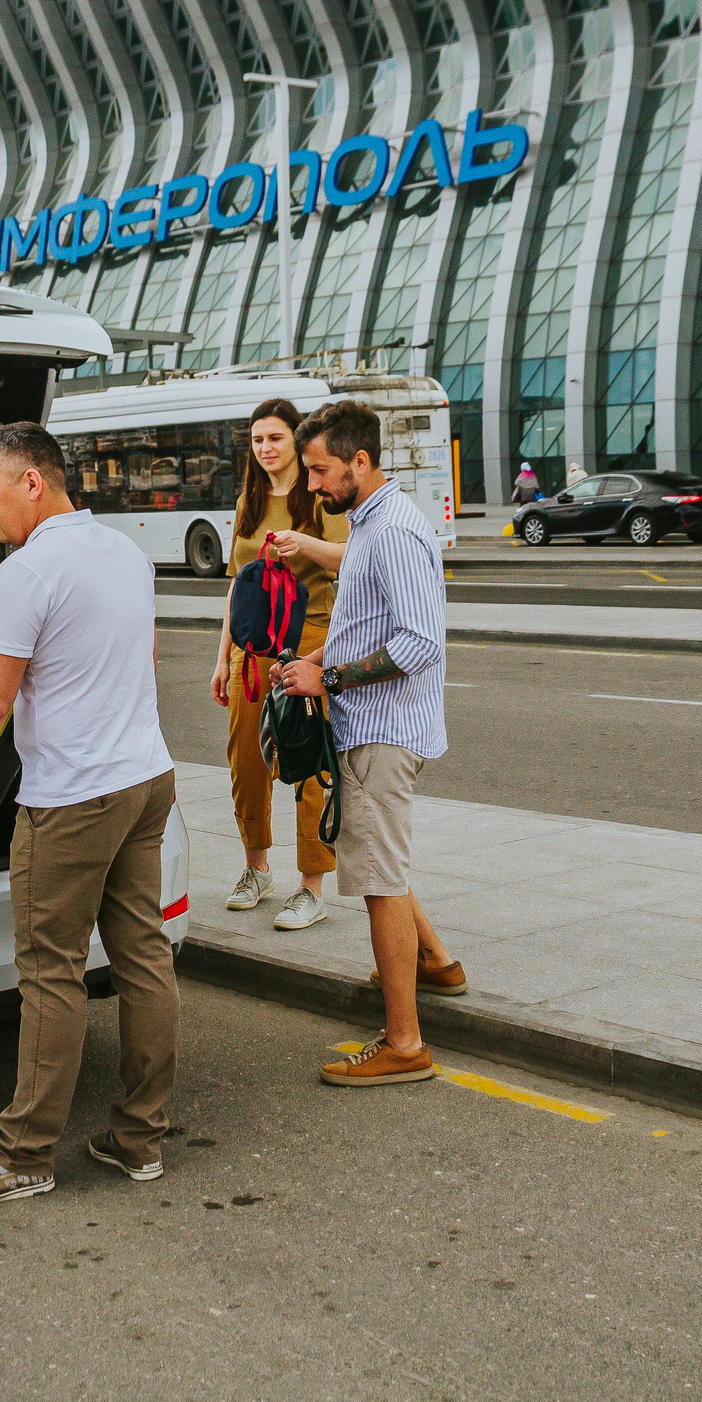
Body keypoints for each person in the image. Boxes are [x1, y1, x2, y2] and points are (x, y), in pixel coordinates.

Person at [0, 422, 177, 1210]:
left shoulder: (30, 573)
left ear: (33, 482)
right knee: (144, 957)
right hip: (144, 780)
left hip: (72, 798)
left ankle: (21, 1155)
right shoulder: (123, 551)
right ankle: (140, 1138)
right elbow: (142, 655)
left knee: (49, 972)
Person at [279, 401, 464, 1087]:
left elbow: (419, 641)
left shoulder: (392, 532)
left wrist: (328, 673)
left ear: (360, 460)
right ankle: (436, 963)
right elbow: (366, 624)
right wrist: (316, 663)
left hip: (384, 729)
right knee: (379, 856)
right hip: (369, 722)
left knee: (378, 881)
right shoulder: (367, 524)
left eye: (322, 470)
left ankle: (404, 1042)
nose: (315, 485)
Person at [213, 398, 351, 931]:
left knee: (307, 764)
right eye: (257, 440)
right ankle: (256, 868)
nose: (266, 449)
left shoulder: (316, 497)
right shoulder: (248, 498)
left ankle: (312, 884)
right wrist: (222, 657)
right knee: (247, 764)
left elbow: (351, 558)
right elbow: (235, 585)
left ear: (297, 439)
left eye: (275, 438)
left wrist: (305, 543)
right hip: (250, 649)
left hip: (308, 641)